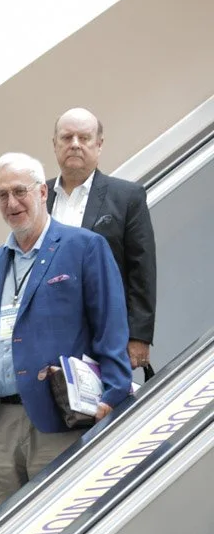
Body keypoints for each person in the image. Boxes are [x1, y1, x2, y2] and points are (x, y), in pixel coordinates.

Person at [0, 154, 132, 524]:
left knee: (65, 527)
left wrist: (113, 396)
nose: (12, 203)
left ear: (42, 192)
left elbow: (111, 327)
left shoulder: (84, 247)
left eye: (20, 191)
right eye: (2, 195)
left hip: (61, 416)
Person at [48, 107, 157, 372]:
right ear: (55, 145)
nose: (75, 145)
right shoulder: (39, 197)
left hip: (108, 334)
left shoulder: (127, 197)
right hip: (52, 335)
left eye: (84, 138)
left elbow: (141, 270)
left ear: (99, 144)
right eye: (67, 137)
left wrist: (139, 337)